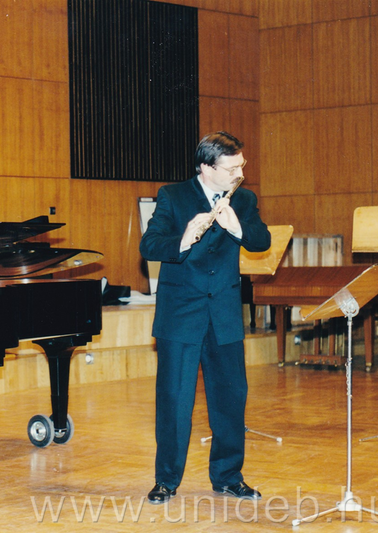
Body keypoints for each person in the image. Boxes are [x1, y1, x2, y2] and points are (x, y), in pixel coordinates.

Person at [139, 131, 271, 504]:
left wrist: (235, 226)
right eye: (231, 168)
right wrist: (184, 239)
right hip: (181, 315)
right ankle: (166, 480)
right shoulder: (173, 196)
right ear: (206, 167)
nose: (240, 174)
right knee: (174, 400)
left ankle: (228, 476)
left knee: (231, 399)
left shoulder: (244, 199)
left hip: (224, 314)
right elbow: (149, 245)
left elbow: (261, 240)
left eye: (241, 166)